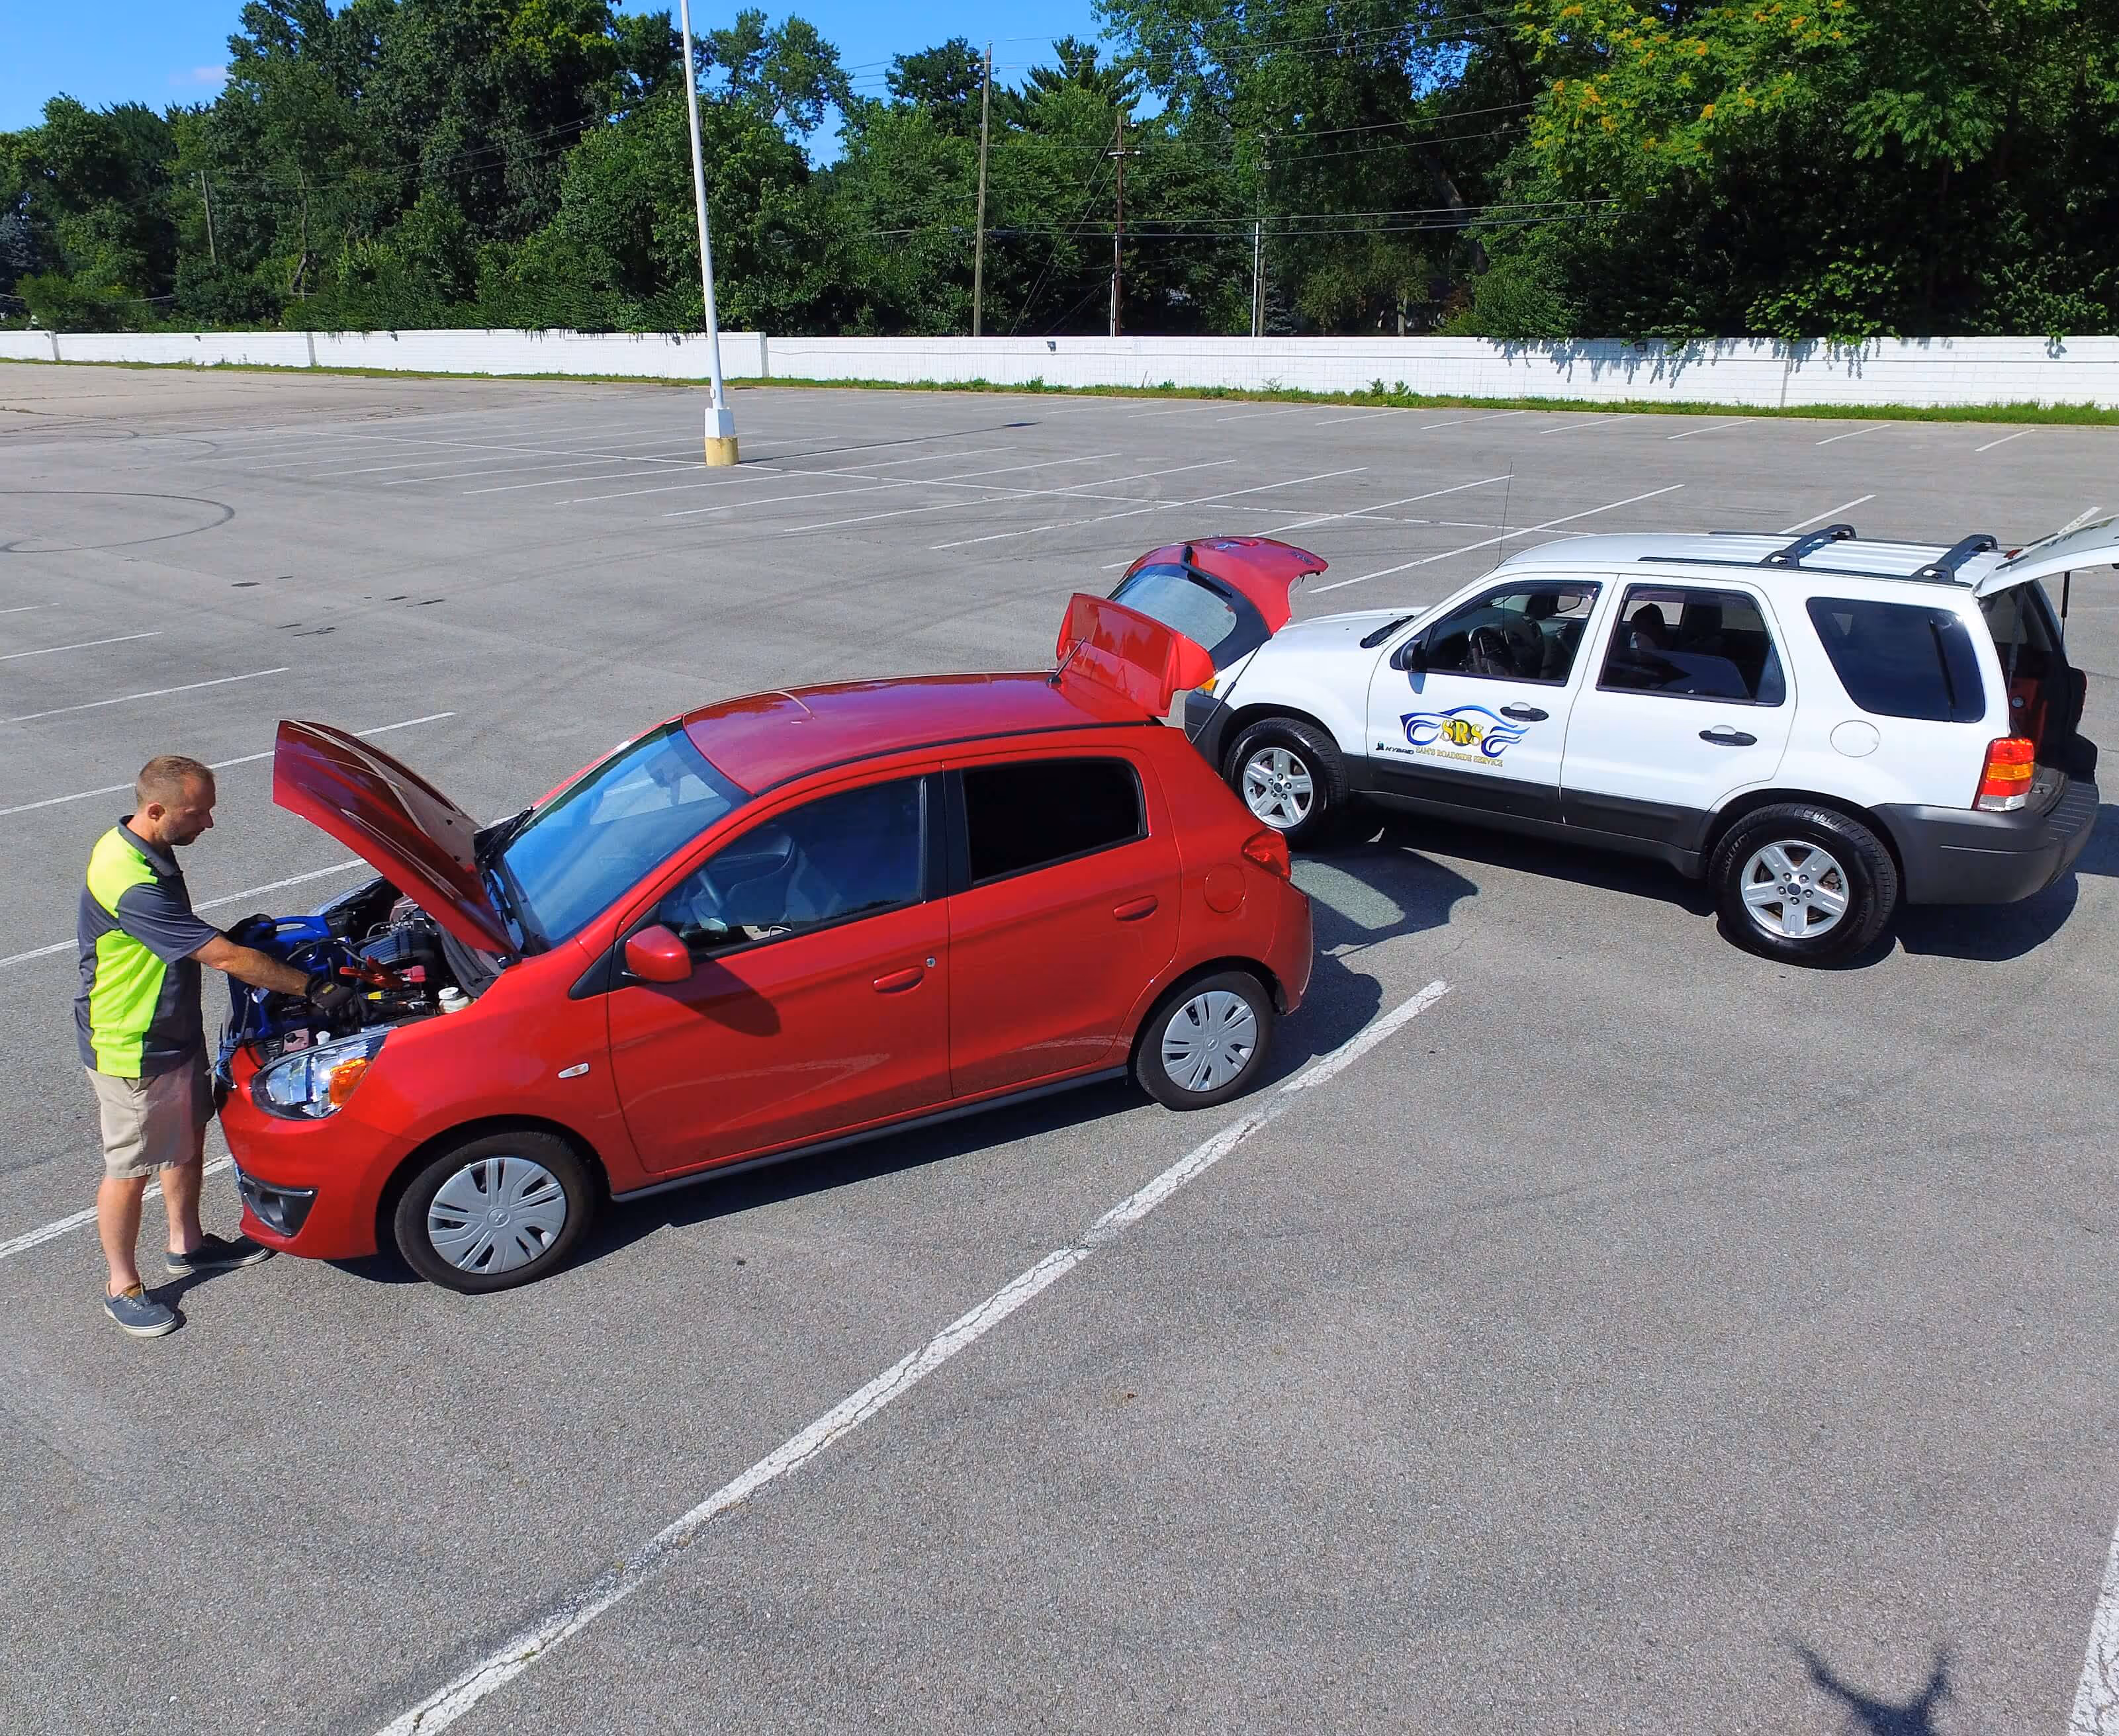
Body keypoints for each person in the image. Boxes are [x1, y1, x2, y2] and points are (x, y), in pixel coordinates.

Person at [78, 755, 356, 1338]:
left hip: (172, 1027)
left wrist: (228, 933)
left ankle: (189, 1244)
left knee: (186, 1142)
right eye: (197, 812)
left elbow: (193, 935)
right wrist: (314, 987)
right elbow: (222, 958)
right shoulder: (130, 880)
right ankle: (121, 1285)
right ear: (156, 810)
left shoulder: (144, 844)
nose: (208, 823)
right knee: (130, 1168)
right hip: (131, 1041)